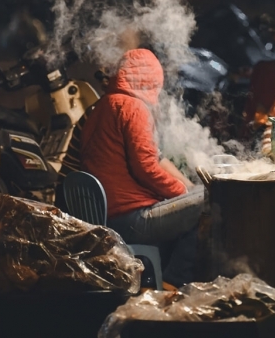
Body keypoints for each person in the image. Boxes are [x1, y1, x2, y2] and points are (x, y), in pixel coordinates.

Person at [79, 48, 205, 285]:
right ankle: (172, 283)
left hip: (102, 216)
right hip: (131, 220)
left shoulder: (102, 106)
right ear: (150, 79)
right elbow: (146, 168)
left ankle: (155, 279)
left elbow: (154, 157)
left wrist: (188, 187)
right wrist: (183, 194)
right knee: (209, 204)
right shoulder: (134, 108)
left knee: (192, 200)